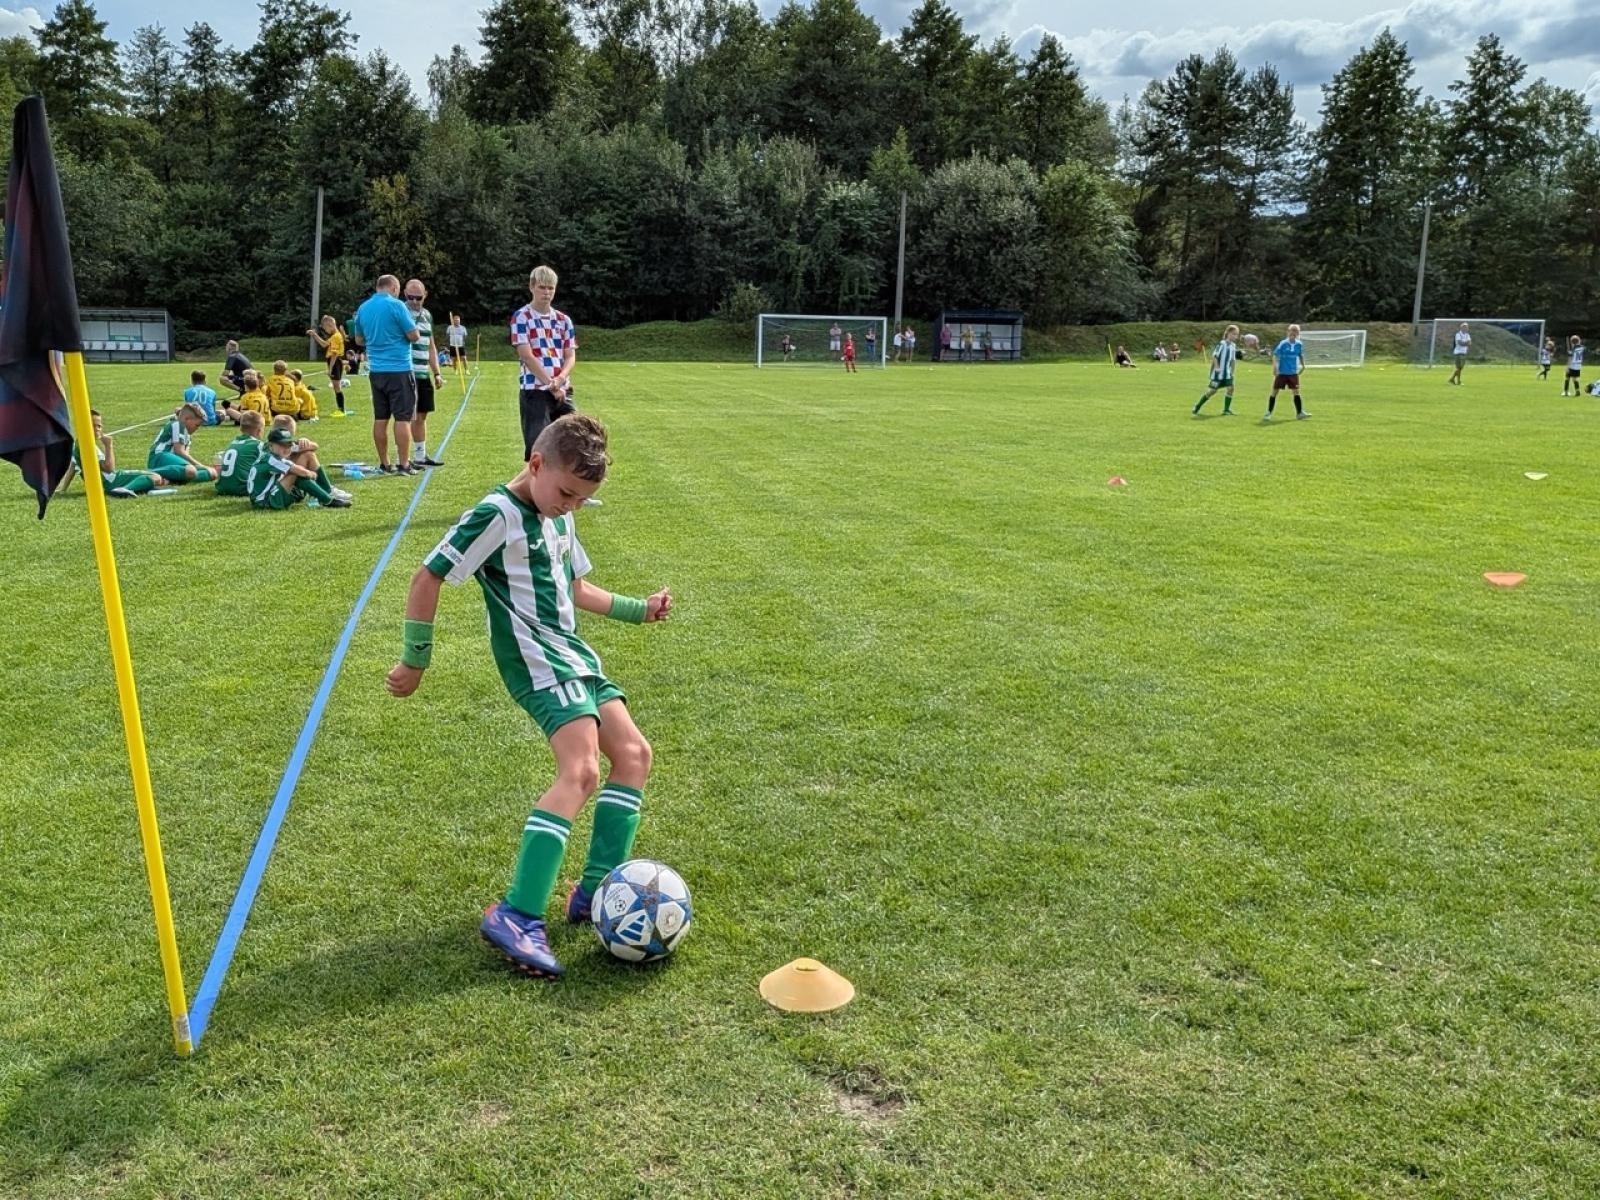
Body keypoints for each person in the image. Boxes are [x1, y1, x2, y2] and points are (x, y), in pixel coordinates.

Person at [386, 413, 671, 979]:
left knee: (634, 756)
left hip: (572, 656)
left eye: (582, 500)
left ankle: (594, 892)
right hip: (537, 663)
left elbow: (575, 586)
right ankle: (517, 913)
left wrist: (639, 609)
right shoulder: (497, 514)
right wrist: (415, 659)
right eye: (566, 492)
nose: (570, 505)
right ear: (535, 464)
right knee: (582, 771)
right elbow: (428, 576)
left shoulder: (559, 516)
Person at [355, 274, 422, 475]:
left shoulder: (363, 308)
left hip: (376, 370)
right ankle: (404, 464)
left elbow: (358, 340)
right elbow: (413, 335)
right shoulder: (397, 306)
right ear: (393, 288)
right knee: (402, 418)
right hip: (399, 369)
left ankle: (385, 463)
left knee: (380, 417)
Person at [511, 264, 578, 461]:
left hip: (562, 390)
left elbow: (570, 355)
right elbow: (526, 355)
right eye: (542, 287)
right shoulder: (521, 317)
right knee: (538, 451)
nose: (547, 292)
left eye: (551, 288)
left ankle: (566, 490)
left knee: (575, 443)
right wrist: (550, 383)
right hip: (535, 391)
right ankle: (532, 491)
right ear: (531, 287)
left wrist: (560, 379)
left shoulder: (563, 320)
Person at [62, 409, 164, 498]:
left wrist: (63, 488)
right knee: (155, 476)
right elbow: (109, 469)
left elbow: (73, 467)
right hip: (112, 481)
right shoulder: (88, 446)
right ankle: (125, 489)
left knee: (154, 481)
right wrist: (108, 446)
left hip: (106, 483)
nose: (97, 429)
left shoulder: (78, 443)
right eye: (93, 426)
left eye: (99, 426)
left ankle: (133, 489)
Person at [250, 428, 351, 509]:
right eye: (282, 445)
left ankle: (327, 491)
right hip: (265, 501)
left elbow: (314, 447)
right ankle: (327, 500)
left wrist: (303, 441)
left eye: (289, 443)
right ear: (271, 445)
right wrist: (313, 474)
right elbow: (301, 472)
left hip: (274, 491)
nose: (286, 448)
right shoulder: (271, 459)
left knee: (308, 454)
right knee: (296, 473)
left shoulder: (271, 449)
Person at [405, 278, 446, 468]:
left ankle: (420, 455)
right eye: (410, 297)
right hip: (406, 372)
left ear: (425, 295)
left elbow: (431, 346)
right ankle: (404, 458)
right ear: (404, 294)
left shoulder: (428, 315)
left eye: (418, 298)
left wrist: (437, 372)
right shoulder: (401, 311)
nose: (414, 301)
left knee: (422, 415)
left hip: (423, 374)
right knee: (407, 416)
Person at [147, 404, 219, 484]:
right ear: (186, 419)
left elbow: (185, 456)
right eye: (197, 425)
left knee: (212, 473)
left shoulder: (187, 435)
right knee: (191, 470)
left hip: (172, 463)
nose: (197, 428)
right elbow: (180, 452)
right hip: (160, 457)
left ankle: (168, 480)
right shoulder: (178, 425)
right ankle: (149, 473)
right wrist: (201, 466)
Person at [214, 410, 267, 498]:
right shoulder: (258, 445)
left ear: (241, 428)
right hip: (243, 488)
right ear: (259, 431)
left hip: (222, 487)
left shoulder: (233, 443)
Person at [1193, 324, 1239, 416]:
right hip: (1218, 373)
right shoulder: (1222, 344)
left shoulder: (1233, 346)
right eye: (1234, 334)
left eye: (1236, 334)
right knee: (1212, 391)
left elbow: (1233, 360)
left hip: (1227, 373)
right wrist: (1217, 367)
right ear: (1228, 333)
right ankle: (1198, 406)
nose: (1235, 336)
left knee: (1231, 388)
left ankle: (1226, 410)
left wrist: (1232, 372)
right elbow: (1215, 356)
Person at [306, 315, 348, 415]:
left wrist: (330, 369)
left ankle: (341, 410)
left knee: (337, 387)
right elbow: (324, 344)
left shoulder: (336, 337)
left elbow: (334, 354)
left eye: (325, 328)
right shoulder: (335, 336)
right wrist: (314, 335)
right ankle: (341, 409)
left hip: (335, 361)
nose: (325, 331)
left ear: (330, 325)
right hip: (335, 361)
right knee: (336, 387)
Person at [1266, 323, 1309, 420]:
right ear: (1288, 332)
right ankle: (1268, 413)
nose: (1293, 333)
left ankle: (1299, 413)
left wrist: (1303, 365)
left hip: (1293, 372)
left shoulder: (1299, 344)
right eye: (1291, 330)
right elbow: (1275, 355)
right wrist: (1275, 368)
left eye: (1295, 331)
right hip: (1282, 373)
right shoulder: (1283, 343)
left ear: (1298, 333)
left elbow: (1300, 355)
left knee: (1296, 392)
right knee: (1274, 392)